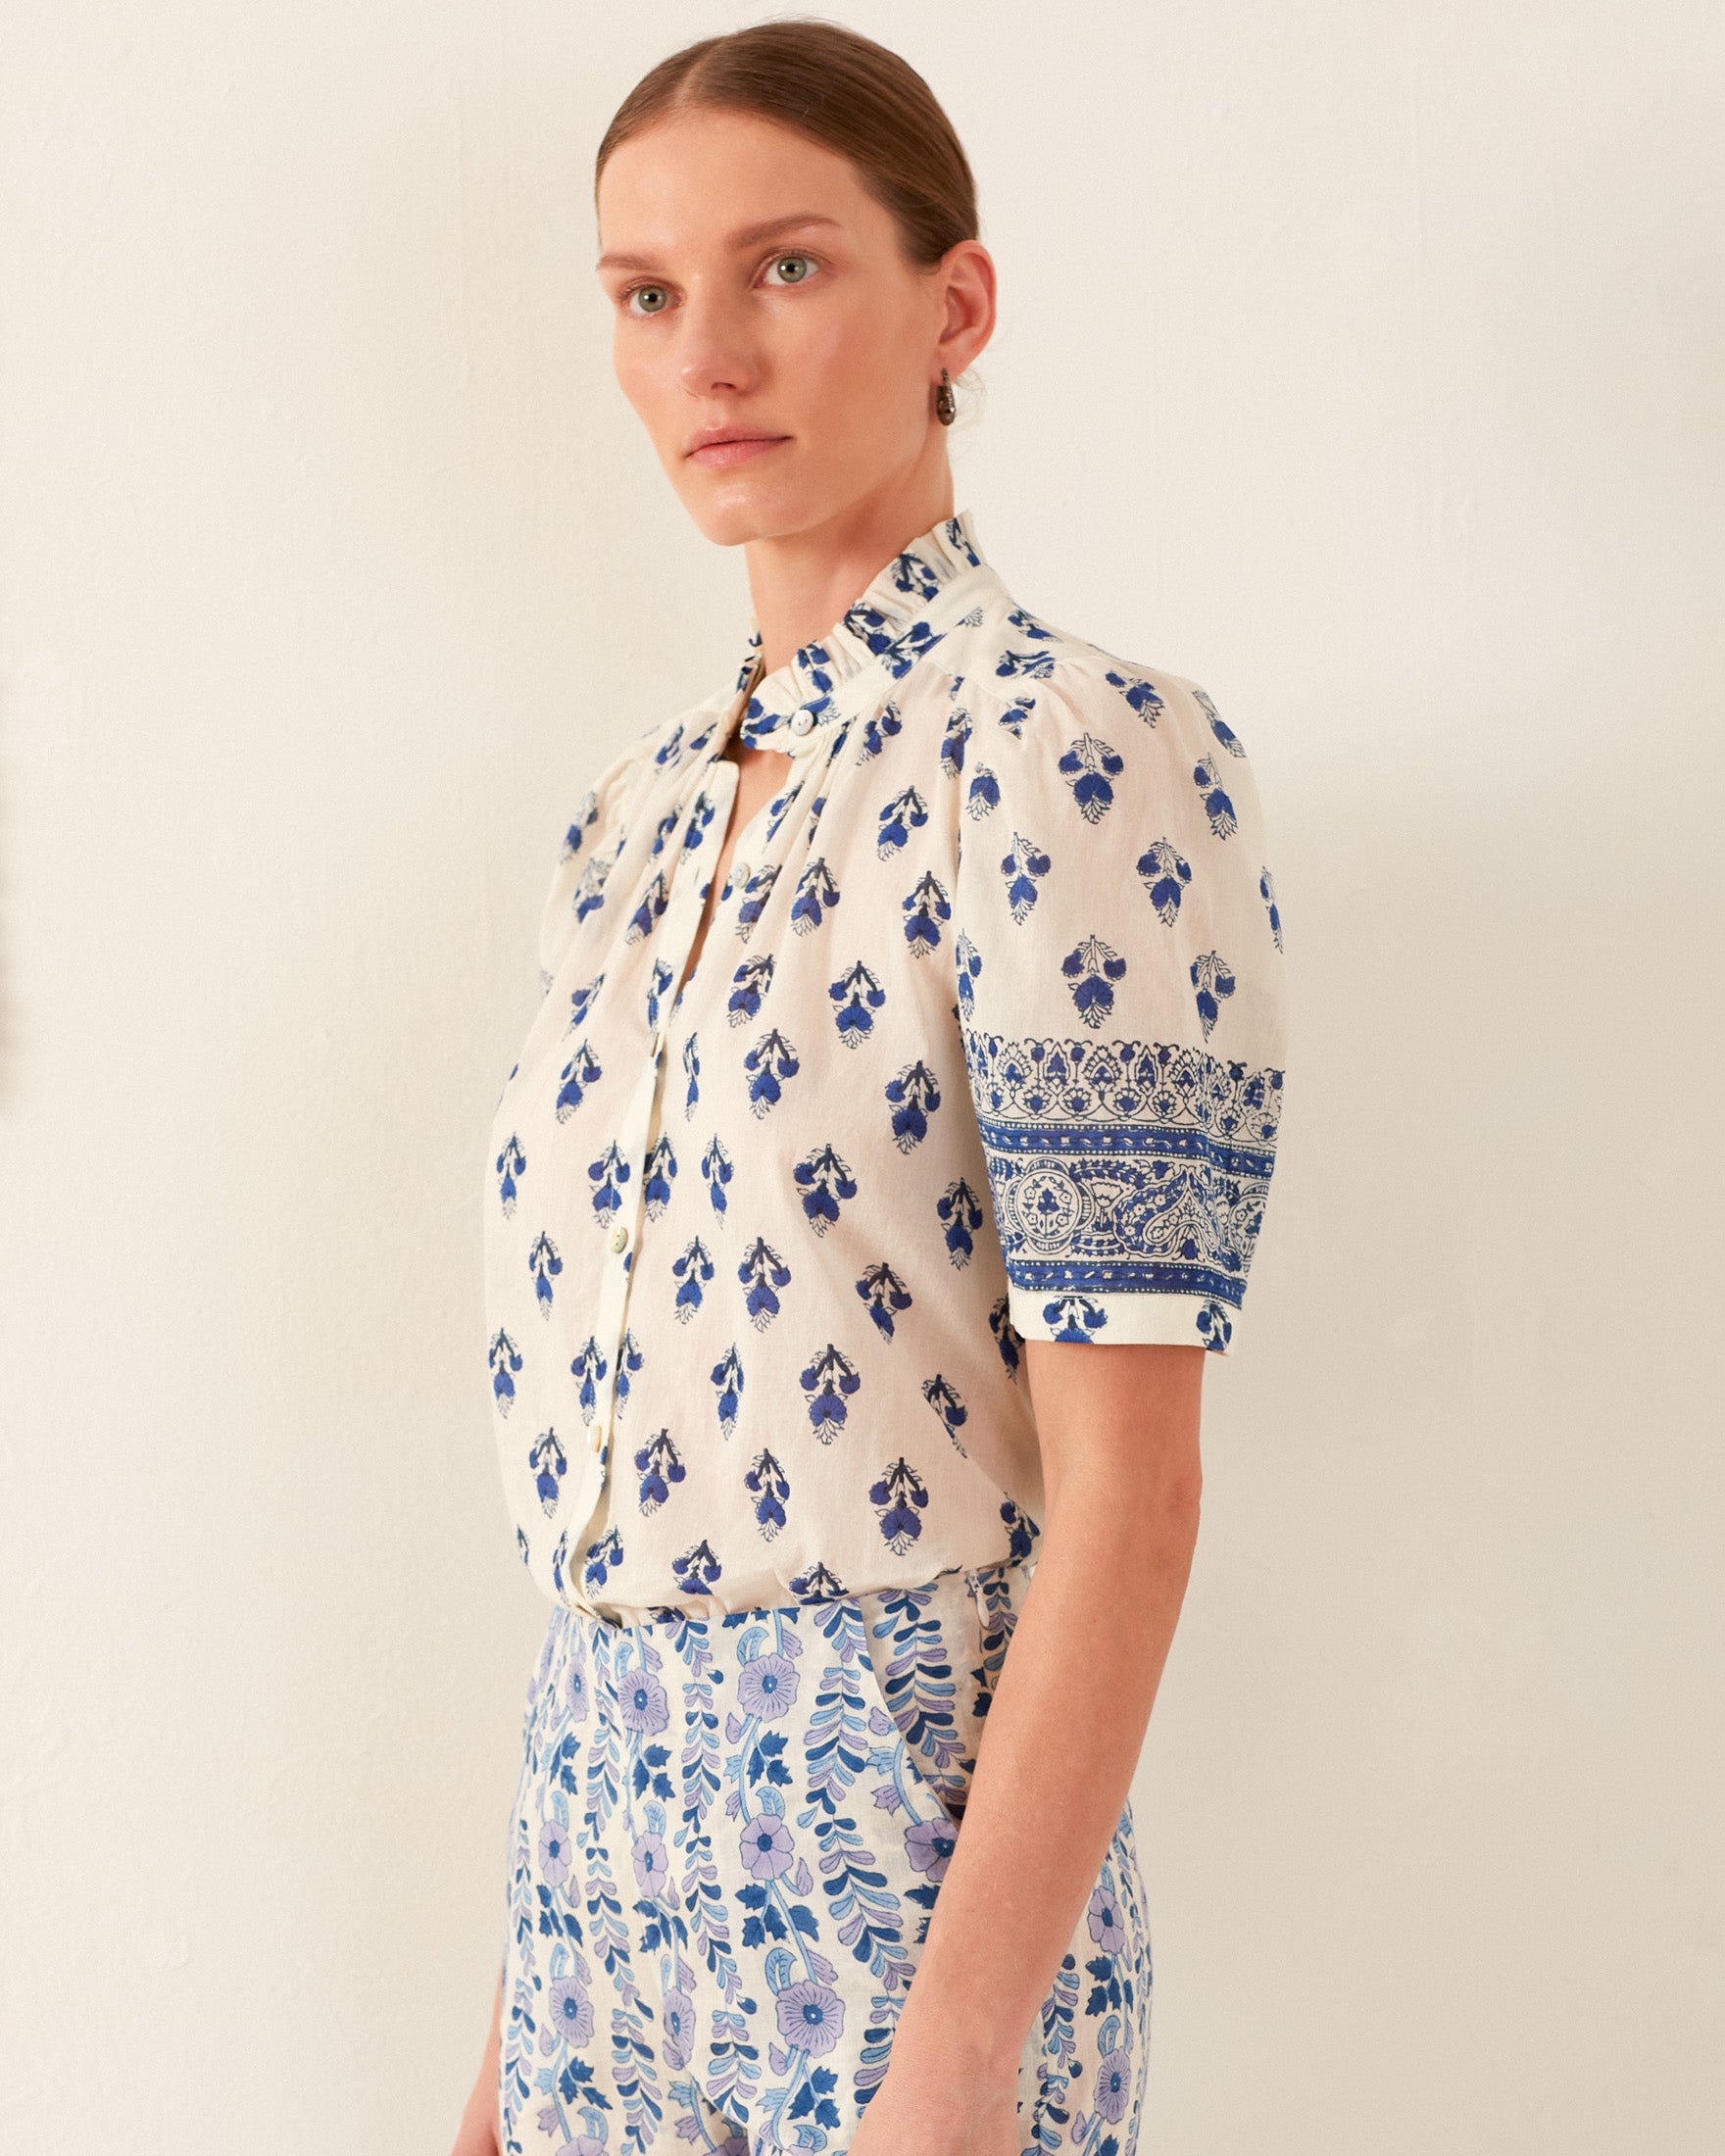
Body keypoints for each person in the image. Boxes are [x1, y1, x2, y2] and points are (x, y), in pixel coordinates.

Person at [453, 22, 1288, 2156]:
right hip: (588, 1860)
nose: (707, 351)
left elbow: (1133, 1483)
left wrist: (960, 2052)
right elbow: (620, 1464)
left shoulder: (1076, 756)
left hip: (897, 1845)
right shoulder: (622, 823)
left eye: (786, 268)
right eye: (646, 295)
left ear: (956, 305)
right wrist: (512, 2034)